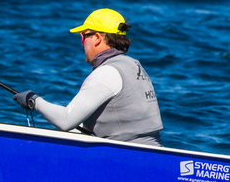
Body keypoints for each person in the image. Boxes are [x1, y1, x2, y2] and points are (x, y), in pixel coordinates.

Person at [12, 8, 163, 146]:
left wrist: (33, 100)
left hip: (125, 155)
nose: (82, 43)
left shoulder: (106, 73)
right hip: (151, 151)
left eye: (84, 36)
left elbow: (65, 120)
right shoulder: (134, 66)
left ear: (97, 38)